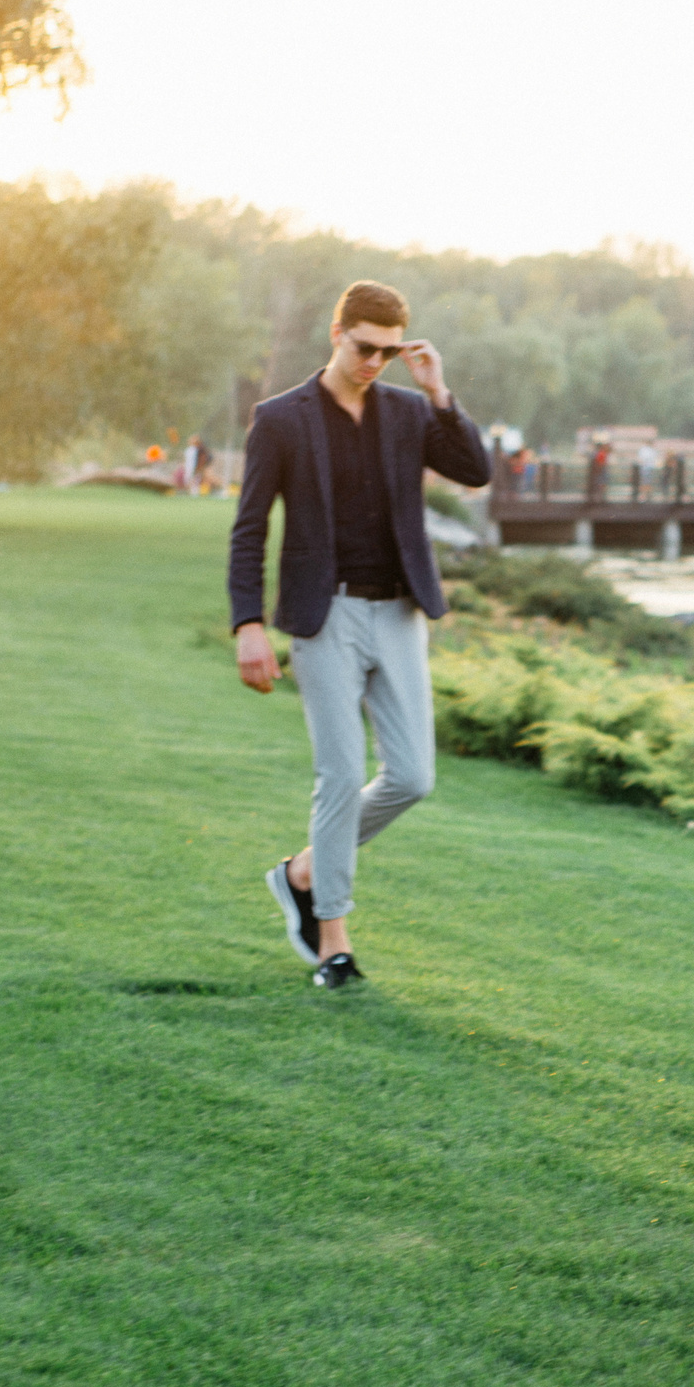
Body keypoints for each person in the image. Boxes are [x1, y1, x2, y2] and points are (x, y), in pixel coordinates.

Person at [226, 280, 492, 987]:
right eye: (363, 346)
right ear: (336, 333)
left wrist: (438, 391)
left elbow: (475, 468)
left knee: (412, 776)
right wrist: (247, 622)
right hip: (326, 614)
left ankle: (304, 871)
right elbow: (250, 528)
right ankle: (332, 942)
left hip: (400, 610)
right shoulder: (281, 419)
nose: (375, 361)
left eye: (388, 351)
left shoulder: (407, 412)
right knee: (341, 774)